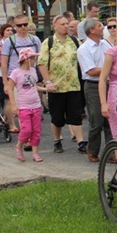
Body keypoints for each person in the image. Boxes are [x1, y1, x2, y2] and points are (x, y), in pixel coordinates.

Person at [38, 15, 85, 153]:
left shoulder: (74, 41)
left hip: (73, 85)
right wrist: (48, 82)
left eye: (67, 24)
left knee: (76, 115)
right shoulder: (49, 42)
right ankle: (57, 140)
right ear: (55, 26)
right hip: (56, 87)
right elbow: (42, 63)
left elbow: (83, 56)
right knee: (57, 117)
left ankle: (81, 141)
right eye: (63, 24)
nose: (66, 26)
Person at [78, 18, 113, 162]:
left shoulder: (105, 43)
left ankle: (112, 152)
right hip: (93, 86)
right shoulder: (84, 49)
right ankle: (92, 150)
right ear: (91, 30)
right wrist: (109, 68)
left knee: (110, 120)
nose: (102, 27)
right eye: (99, 26)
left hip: (108, 84)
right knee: (96, 120)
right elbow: (91, 71)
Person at [1, 14, 42, 133]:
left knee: (30, 104)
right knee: (13, 101)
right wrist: (5, 82)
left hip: (31, 75)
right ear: (15, 26)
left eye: (25, 24)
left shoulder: (34, 39)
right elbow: (4, 63)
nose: (23, 27)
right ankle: (14, 125)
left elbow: (41, 59)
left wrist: (43, 76)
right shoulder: (10, 41)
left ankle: (29, 129)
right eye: (19, 25)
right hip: (15, 76)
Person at [6, 48, 48, 163]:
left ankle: (35, 152)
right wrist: (14, 105)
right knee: (26, 130)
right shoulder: (16, 73)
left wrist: (46, 89)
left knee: (36, 130)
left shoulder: (33, 71)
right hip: (24, 105)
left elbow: (34, 86)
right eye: (32, 58)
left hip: (36, 105)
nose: (34, 60)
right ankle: (19, 146)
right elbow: (10, 88)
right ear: (26, 59)